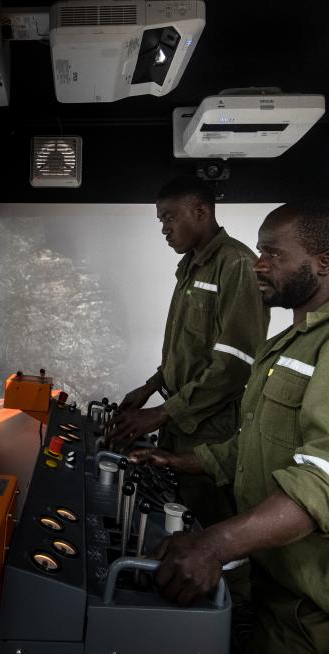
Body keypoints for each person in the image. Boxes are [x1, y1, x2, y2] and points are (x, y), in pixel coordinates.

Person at [132, 200, 329, 654]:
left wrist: (214, 543)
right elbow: (258, 444)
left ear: (325, 264)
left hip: (326, 609)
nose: (258, 264)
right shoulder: (289, 343)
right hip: (281, 584)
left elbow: (328, 485)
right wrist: (182, 461)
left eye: (273, 253)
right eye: (259, 251)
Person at [107, 175, 269, 527]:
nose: (164, 229)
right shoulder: (191, 265)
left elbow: (234, 365)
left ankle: (234, 584)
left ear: (201, 211)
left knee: (210, 526)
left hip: (209, 428)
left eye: (169, 217)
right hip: (179, 418)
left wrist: (160, 414)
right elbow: (188, 348)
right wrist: (151, 386)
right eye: (161, 220)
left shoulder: (236, 264)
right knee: (178, 518)